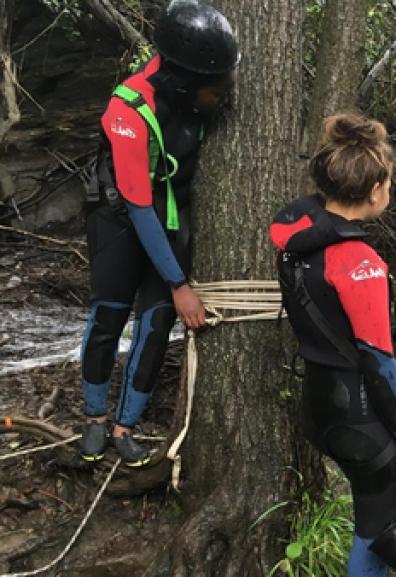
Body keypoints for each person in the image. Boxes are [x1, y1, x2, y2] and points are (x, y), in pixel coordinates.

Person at [78, 0, 239, 466]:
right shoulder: (129, 107)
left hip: (172, 216)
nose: (224, 96)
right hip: (120, 216)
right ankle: (93, 420)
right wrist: (179, 284)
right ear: (187, 81)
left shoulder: (197, 98)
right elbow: (138, 201)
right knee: (109, 315)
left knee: (155, 324)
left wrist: (172, 289)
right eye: (217, 89)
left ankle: (126, 426)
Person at [271, 114, 396, 577]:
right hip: (359, 416)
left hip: (319, 405)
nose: (390, 192)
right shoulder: (361, 264)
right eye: (389, 182)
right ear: (375, 188)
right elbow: (379, 363)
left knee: (371, 516)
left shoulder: (296, 239)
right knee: (379, 526)